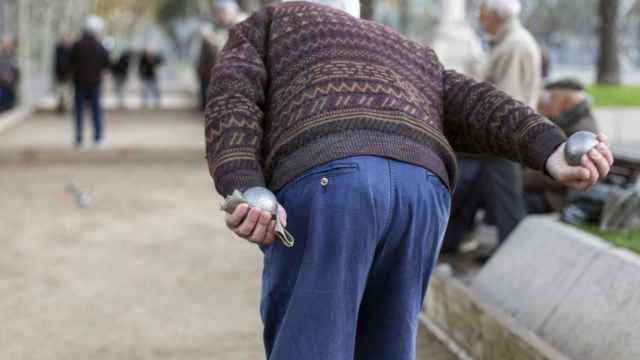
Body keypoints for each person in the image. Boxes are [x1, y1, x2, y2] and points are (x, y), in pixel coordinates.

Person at [205, 1, 613, 359]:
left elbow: (232, 103)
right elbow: (476, 102)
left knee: (312, 344)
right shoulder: (407, 48)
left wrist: (242, 185)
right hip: (423, 189)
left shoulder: (269, 24)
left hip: (334, 181)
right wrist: (552, 149)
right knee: (388, 346)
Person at [442, 0, 542, 257]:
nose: (480, 18)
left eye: (483, 12)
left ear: (497, 14)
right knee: (469, 192)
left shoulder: (515, 46)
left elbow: (506, 102)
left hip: (502, 142)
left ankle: (514, 258)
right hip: (496, 142)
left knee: (507, 206)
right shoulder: (508, 43)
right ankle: (449, 243)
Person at [524, 79, 599, 214]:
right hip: (545, 191)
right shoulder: (567, 121)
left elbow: (562, 175)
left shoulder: (581, 133)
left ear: (567, 101)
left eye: (552, 98)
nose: (546, 103)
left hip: (554, 198)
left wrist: (520, 179)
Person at [69, 15, 111, 147]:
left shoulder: (77, 45)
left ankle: (79, 138)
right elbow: (107, 64)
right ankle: (98, 138)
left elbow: (71, 63)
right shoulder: (100, 46)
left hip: (79, 83)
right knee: (96, 112)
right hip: (95, 84)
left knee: (79, 112)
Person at [196, 25, 218, 111]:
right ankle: (204, 106)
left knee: (206, 90)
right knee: (204, 90)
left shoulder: (209, 44)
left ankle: (206, 106)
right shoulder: (206, 43)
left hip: (207, 71)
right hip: (205, 71)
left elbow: (210, 58)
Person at [53, 33, 74, 113]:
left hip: (67, 75)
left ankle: (64, 106)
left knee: (66, 92)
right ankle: (61, 106)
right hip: (61, 75)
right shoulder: (60, 49)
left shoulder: (70, 49)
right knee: (61, 91)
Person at [0, 35, 20, 112]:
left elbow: (16, 70)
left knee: (10, 103)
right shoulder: (2, 55)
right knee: (4, 104)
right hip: (3, 83)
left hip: (11, 84)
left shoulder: (13, 55)